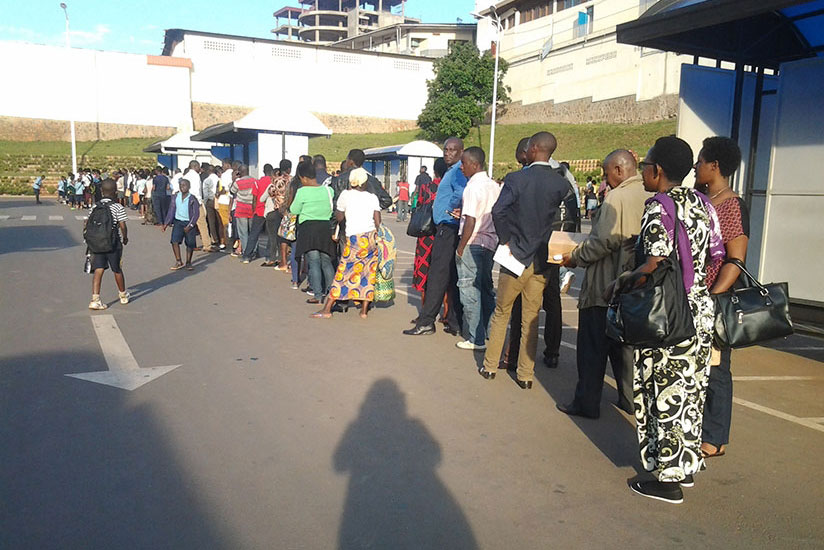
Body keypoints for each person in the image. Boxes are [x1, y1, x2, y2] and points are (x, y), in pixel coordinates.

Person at [625, 136, 724, 503]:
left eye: (647, 165)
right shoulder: (702, 204)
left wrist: (624, 285)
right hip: (699, 310)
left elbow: (654, 264)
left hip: (670, 314)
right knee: (692, 392)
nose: (646, 171)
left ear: (658, 170)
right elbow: (716, 255)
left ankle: (666, 481)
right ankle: (686, 466)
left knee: (664, 391)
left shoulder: (659, 208)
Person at [556, 150, 650, 420]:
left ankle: (587, 402)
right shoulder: (649, 194)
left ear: (620, 170)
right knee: (625, 348)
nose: (604, 178)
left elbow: (602, 242)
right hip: (634, 285)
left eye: (606, 172)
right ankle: (631, 400)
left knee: (592, 349)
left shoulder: (617, 198)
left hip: (604, 286)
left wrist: (575, 256)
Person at [477, 132, 569, 389]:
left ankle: (490, 366)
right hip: (542, 259)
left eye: (528, 148)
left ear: (536, 148)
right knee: (531, 317)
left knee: (502, 312)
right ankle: (526, 374)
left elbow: (498, 210)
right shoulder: (560, 184)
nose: (525, 152)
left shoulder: (517, 178)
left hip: (515, 255)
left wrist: (506, 239)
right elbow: (566, 220)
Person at [695, 136, 747, 460]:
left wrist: (713, 297)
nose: (696, 166)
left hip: (716, 298)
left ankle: (715, 437)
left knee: (716, 367)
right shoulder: (701, 198)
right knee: (698, 365)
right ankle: (701, 427)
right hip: (695, 293)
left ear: (714, 166)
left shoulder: (731, 204)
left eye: (700, 161)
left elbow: (736, 259)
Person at [403, 137, 467, 336]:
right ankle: (455, 322)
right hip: (446, 227)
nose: (448, 153)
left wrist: (452, 209)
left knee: (437, 277)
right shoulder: (452, 171)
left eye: (453, 150)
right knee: (450, 277)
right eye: (446, 150)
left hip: (448, 229)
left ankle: (426, 321)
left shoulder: (458, 171)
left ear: (461, 152)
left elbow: (462, 193)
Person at [312, 167, 381, 319]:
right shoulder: (372, 197)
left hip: (355, 238)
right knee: (368, 273)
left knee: (343, 272)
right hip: (370, 238)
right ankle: (364, 311)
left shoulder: (346, 195)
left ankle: (327, 308)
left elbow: (340, 217)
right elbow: (377, 221)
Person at [454, 147, 500, 350]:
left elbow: (471, 220)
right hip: (490, 242)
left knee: (469, 289)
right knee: (486, 289)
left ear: (475, 164)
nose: (461, 167)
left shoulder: (472, 187)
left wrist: (461, 247)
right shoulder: (494, 186)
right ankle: (491, 332)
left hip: (473, 242)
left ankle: (476, 338)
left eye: (463, 163)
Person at [290, 160, 336, 304]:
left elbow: (294, 210)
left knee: (314, 262)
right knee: (326, 262)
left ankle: (317, 295)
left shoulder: (302, 191)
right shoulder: (329, 190)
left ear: (303, 178)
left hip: (308, 229)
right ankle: (333, 293)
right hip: (325, 228)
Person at [87, 179, 130, 310]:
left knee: (98, 269)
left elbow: (87, 223)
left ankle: (95, 299)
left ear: (101, 191)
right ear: (115, 192)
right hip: (112, 243)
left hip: (97, 243)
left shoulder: (95, 206)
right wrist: (125, 237)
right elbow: (122, 225)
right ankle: (123, 295)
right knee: (117, 269)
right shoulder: (117, 207)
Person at [411, 159, 445, 311]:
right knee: (445, 274)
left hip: (426, 234)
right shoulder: (451, 187)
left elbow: (419, 204)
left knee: (424, 271)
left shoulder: (427, 187)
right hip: (445, 233)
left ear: (434, 171)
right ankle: (446, 312)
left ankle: (424, 312)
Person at [162, 177, 200, 271]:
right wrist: (166, 223)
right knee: (174, 241)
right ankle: (178, 261)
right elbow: (171, 210)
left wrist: (190, 226)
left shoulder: (192, 199)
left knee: (190, 244)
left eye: (184, 185)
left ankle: (188, 262)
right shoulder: (175, 197)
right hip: (178, 222)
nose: (182, 187)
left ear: (189, 186)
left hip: (189, 223)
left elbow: (196, 214)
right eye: (180, 185)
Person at [241, 163, 273, 264]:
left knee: (254, 234)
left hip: (259, 211)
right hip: (270, 211)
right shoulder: (273, 182)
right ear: (272, 172)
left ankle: (247, 256)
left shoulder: (257, 182)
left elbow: (255, 198)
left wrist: (254, 211)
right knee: (270, 235)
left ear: (263, 171)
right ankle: (269, 257)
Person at [229, 164, 257, 259]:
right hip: (252, 208)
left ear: (239, 172)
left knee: (243, 232)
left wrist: (235, 179)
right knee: (253, 231)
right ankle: (254, 250)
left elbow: (232, 191)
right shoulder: (254, 181)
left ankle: (246, 252)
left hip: (241, 209)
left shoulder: (238, 182)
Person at [202, 163, 222, 251]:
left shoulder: (207, 180)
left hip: (210, 200)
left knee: (211, 221)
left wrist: (205, 202)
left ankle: (215, 239)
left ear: (208, 171)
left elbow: (205, 193)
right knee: (219, 220)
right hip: (219, 200)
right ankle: (221, 238)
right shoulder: (219, 178)